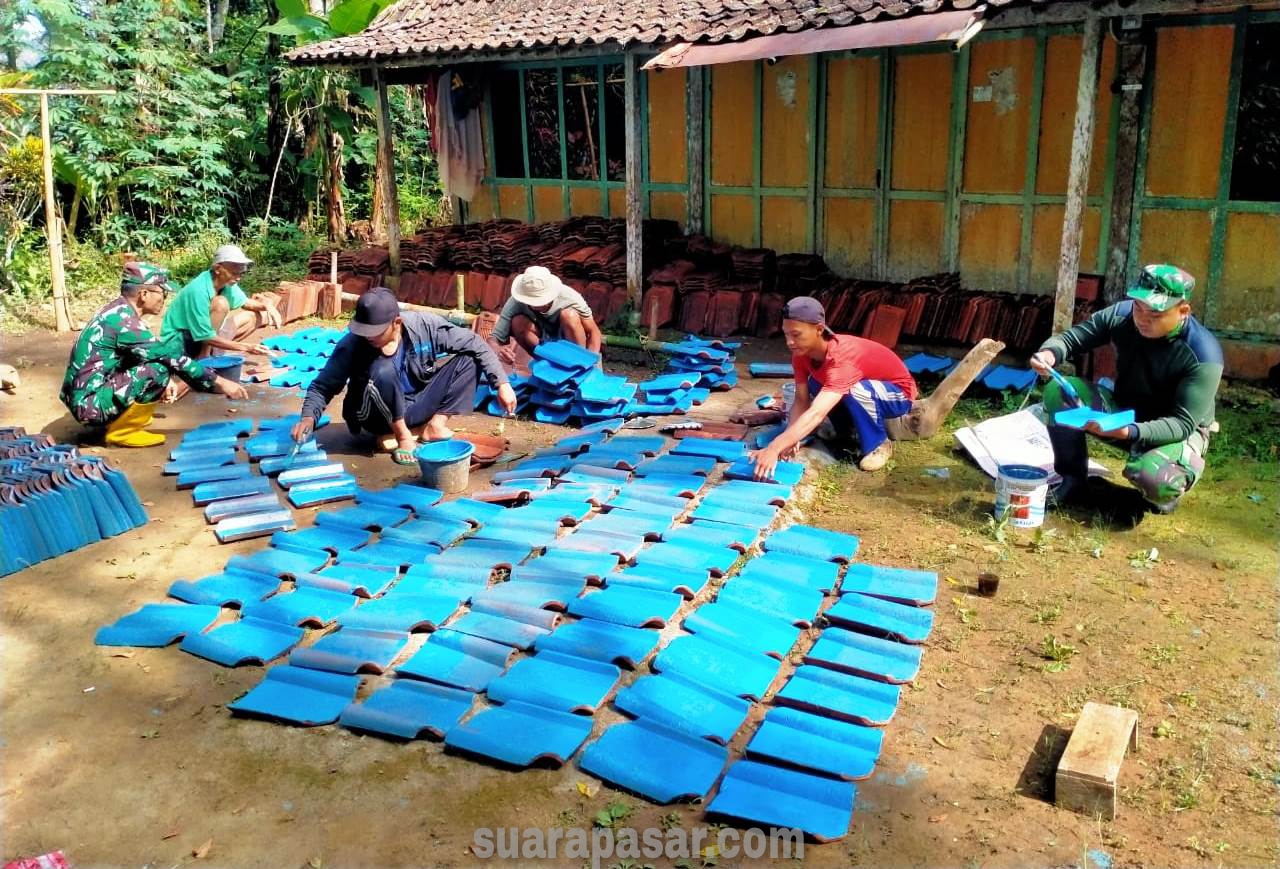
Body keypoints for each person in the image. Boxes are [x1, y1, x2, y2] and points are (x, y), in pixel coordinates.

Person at [1031, 263, 1222, 514]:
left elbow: (1181, 424)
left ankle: (1163, 491)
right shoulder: (1122, 316)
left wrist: (1128, 432)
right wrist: (1049, 353)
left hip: (1176, 430)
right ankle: (1073, 480)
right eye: (1138, 307)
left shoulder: (1203, 354)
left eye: (1154, 314)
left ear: (1183, 310)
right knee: (1061, 392)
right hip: (1127, 410)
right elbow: (1071, 339)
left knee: (1155, 480)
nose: (1142, 318)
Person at [292, 287, 518, 465]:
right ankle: (402, 436)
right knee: (382, 370)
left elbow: (475, 343)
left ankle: (433, 427)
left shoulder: (425, 327)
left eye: (375, 333)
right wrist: (308, 418)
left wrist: (502, 383)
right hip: (374, 416)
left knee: (468, 359)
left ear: (396, 323)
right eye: (364, 331)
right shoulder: (353, 344)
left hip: (416, 404)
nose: (368, 337)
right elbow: (323, 386)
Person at [60, 262, 248, 447]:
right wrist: (221, 383)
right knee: (159, 369)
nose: (164, 299)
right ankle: (122, 432)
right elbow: (172, 359)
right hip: (89, 406)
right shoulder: (125, 323)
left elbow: (139, 353)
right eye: (162, 293)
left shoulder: (117, 310)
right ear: (143, 294)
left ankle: (122, 417)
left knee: (157, 363)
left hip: (85, 395)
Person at [749, 296, 918, 478]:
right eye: (786, 334)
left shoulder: (841, 359)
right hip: (863, 389)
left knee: (856, 390)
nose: (789, 341)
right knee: (817, 382)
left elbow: (816, 413)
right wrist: (791, 437)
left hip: (898, 394)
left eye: (796, 334)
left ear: (819, 329)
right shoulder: (801, 354)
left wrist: (774, 448)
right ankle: (846, 431)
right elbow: (801, 399)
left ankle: (878, 443)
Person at [162, 243, 281, 360]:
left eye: (241, 273)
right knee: (221, 303)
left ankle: (213, 353)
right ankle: (204, 357)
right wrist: (246, 347)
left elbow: (247, 303)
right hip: (179, 342)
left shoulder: (226, 283)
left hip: (201, 337)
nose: (238, 278)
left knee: (253, 317)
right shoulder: (198, 290)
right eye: (234, 273)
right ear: (218, 269)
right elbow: (205, 337)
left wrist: (268, 305)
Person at [489, 265, 602, 361]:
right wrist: (498, 350)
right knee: (517, 322)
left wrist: (590, 359)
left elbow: (593, 331)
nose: (534, 305)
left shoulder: (570, 297)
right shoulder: (515, 302)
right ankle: (546, 363)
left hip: (570, 342)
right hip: (541, 344)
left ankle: (577, 362)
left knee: (569, 315)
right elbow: (494, 339)